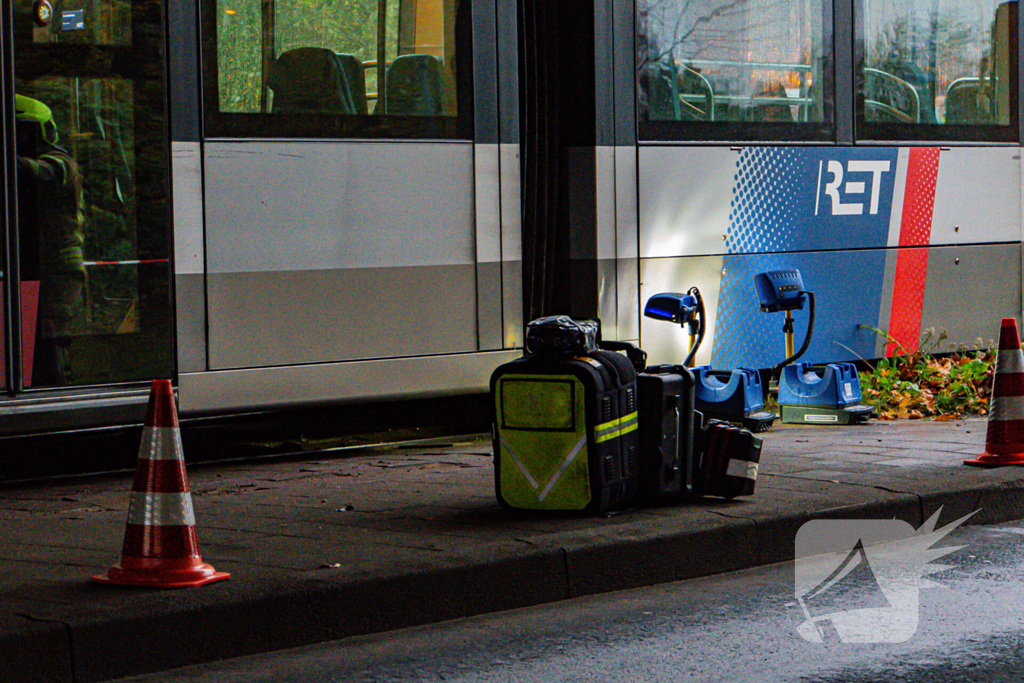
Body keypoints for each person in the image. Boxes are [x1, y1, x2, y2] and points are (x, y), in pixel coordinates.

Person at [15, 93, 86, 386]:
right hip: (42, 269)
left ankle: (61, 398)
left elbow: (37, 174)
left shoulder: (61, 164)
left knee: (51, 345)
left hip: (59, 274)